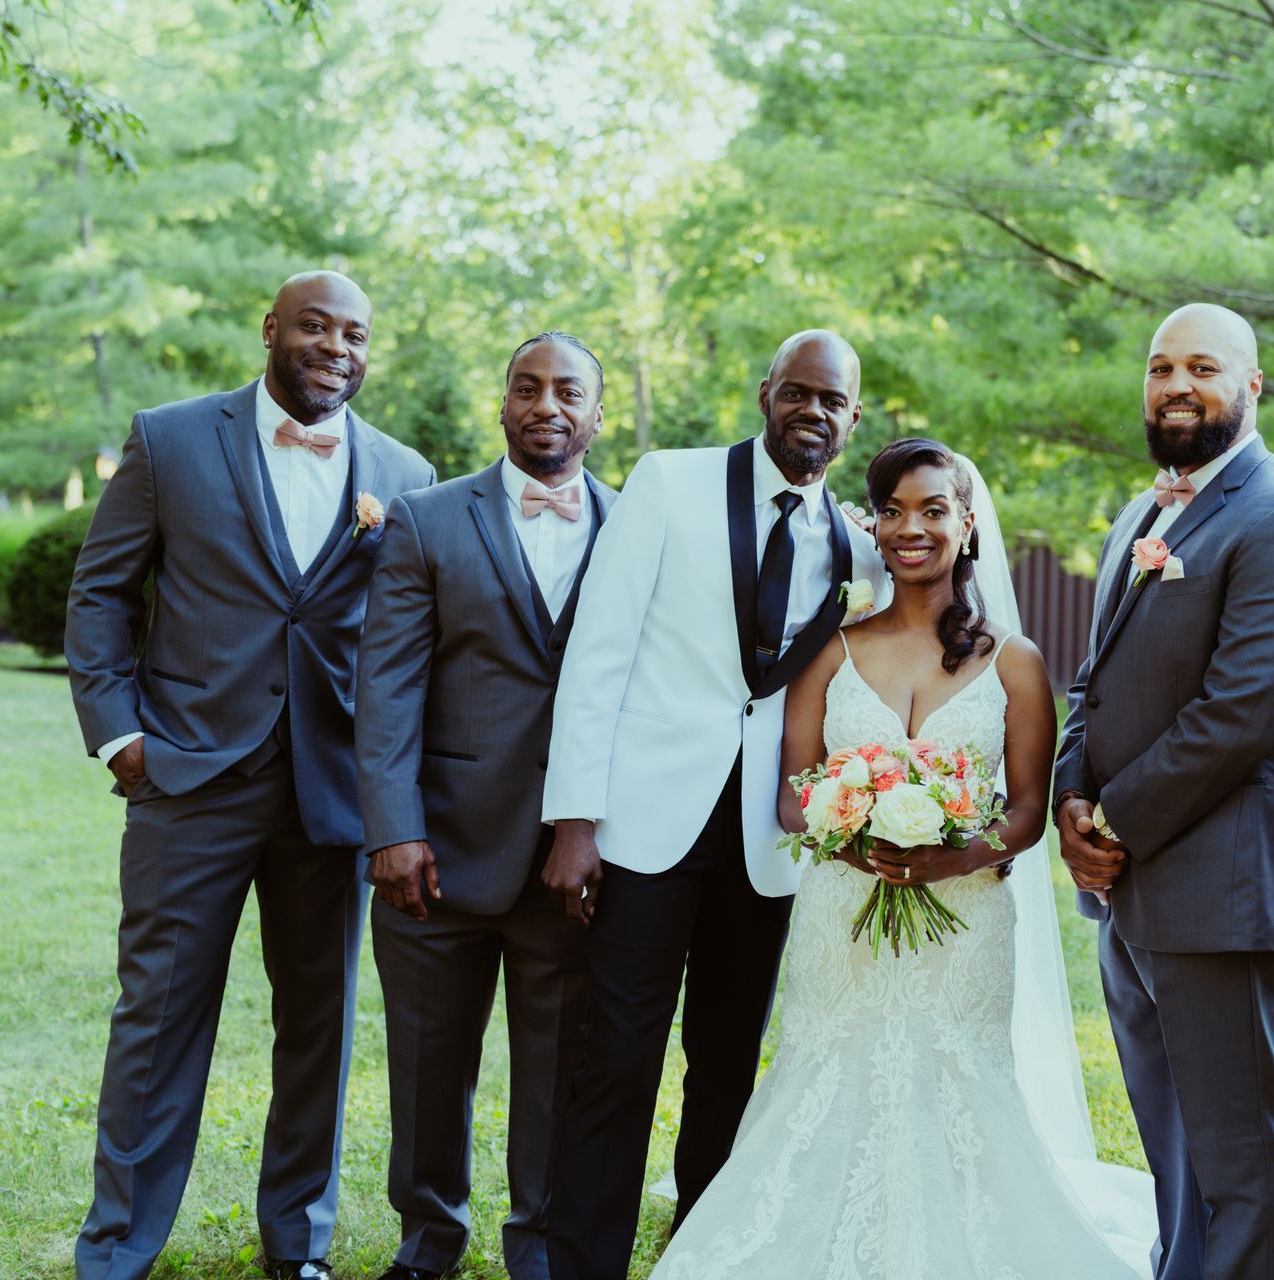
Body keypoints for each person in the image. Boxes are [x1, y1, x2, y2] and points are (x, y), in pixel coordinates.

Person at [648, 437, 1138, 1278]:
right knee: (825, 1073)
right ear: (872, 528)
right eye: (892, 511)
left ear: (968, 522)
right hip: (843, 914)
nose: (911, 528)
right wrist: (851, 824)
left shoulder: (1014, 663)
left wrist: (955, 855)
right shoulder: (831, 652)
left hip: (966, 921)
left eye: (933, 509)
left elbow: (1026, 809)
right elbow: (792, 794)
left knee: (958, 1081)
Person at [65, 271, 435, 1280]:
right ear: (271, 330)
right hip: (189, 777)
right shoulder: (171, 439)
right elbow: (100, 592)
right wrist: (118, 734)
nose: (335, 346)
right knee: (158, 1015)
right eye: (314, 325)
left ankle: (298, 1247)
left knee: (319, 1028)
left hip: (334, 791)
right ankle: (117, 1246)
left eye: (354, 332)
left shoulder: (404, 473)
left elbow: (410, 644)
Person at [538, 330, 889, 1280]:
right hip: (648, 824)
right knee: (617, 1055)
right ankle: (583, 1261)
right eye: (798, 393)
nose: (812, 412)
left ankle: (703, 1249)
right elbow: (599, 650)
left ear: (853, 421)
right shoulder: (669, 480)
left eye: (834, 402)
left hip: (768, 838)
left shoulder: (859, 545)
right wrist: (576, 820)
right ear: (765, 390)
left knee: (728, 1059)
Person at [1054, 303, 1274, 1280]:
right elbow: (1096, 677)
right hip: (1123, 883)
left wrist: (1115, 820)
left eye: (1202, 365)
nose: (1176, 384)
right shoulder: (1145, 511)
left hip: (1218, 883)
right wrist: (1073, 796)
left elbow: (1244, 713)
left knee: (1235, 1146)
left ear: (1253, 385)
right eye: (1160, 367)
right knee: (1169, 1133)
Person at [355, 332, 619, 1280]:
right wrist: (392, 827)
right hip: (438, 848)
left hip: (571, 857)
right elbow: (385, 686)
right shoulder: (427, 521)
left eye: (567, 391)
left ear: (599, 414)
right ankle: (427, 1243)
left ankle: (539, 1250)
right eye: (526, 387)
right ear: (502, 405)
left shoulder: (636, 527)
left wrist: (594, 827)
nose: (546, 404)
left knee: (557, 1072)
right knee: (427, 1068)